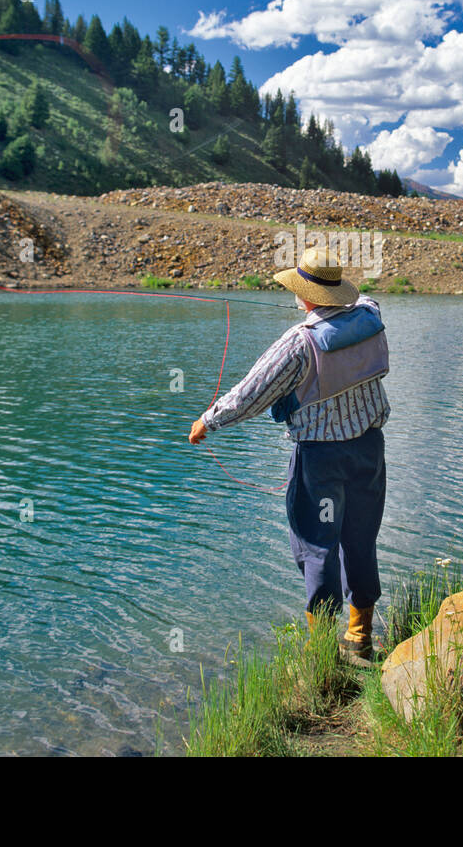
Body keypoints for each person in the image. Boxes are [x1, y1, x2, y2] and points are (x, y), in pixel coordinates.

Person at [189, 246, 390, 663]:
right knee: (360, 538)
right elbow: (366, 299)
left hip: (321, 461)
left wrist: (208, 421)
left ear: (306, 295)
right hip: (369, 451)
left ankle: (321, 653)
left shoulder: (298, 343)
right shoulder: (371, 317)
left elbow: (250, 394)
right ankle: (360, 636)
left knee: (317, 545)